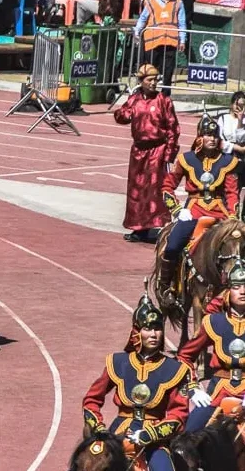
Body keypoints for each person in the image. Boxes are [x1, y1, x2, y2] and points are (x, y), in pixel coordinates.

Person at [82, 294, 189, 470]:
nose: (153, 334)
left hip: (154, 440)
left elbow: (179, 415)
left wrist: (150, 434)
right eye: (147, 329)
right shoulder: (118, 362)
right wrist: (99, 427)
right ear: (136, 332)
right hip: (118, 433)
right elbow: (91, 401)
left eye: (157, 328)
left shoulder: (174, 369)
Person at [157, 113, 237, 301]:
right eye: (208, 135)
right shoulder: (186, 159)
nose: (212, 139)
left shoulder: (228, 162)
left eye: (215, 135)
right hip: (192, 211)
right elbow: (167, 187)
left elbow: (232, 193)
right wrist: (177, 210)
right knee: (173, 244)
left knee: (238, 244)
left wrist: (233, 216)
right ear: (199, 136)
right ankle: (166, 287)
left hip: (220, 212)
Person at [114, 64, 179, 243]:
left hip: (157, 150)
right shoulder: (134, 100)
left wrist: (169, 155)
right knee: (137, 190)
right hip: (138, 151)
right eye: (149, 80)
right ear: (141, 81)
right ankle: (138, 228)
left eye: (155, 80)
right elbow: (122, 118)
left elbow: (173, 129)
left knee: (155, 190)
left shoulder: (164, 101)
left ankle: (157, 226)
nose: (153, 83)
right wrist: (124, 109)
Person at [177, 260, 245, 431]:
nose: (243, 291)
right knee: (187, 437)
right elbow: (185, 356)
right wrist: (193, 389)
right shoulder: (213, 322)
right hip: (218, 391)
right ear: (228, 292)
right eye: (237, 287)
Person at [134, 0, 187, 96]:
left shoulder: (178, 2)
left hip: (170, 42)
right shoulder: (151, 1)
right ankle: (146, 94)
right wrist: (137, 32)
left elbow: (182, 23)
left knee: (168, 72)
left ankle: (165, 98)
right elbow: (143, 18)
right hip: (152, 42)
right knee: (149, 71)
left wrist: (182, 40)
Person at [218, 91, 245, 185]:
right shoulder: (223, 118)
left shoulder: (244, 120)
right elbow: (219, 141)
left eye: (242, 105)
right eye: (236, 104)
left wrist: (240, 121)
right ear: (231, 104)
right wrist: (235, 147)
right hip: (225, 157)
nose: (239, 107)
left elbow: (241, 140)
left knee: (237, 187)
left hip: (241, 160)